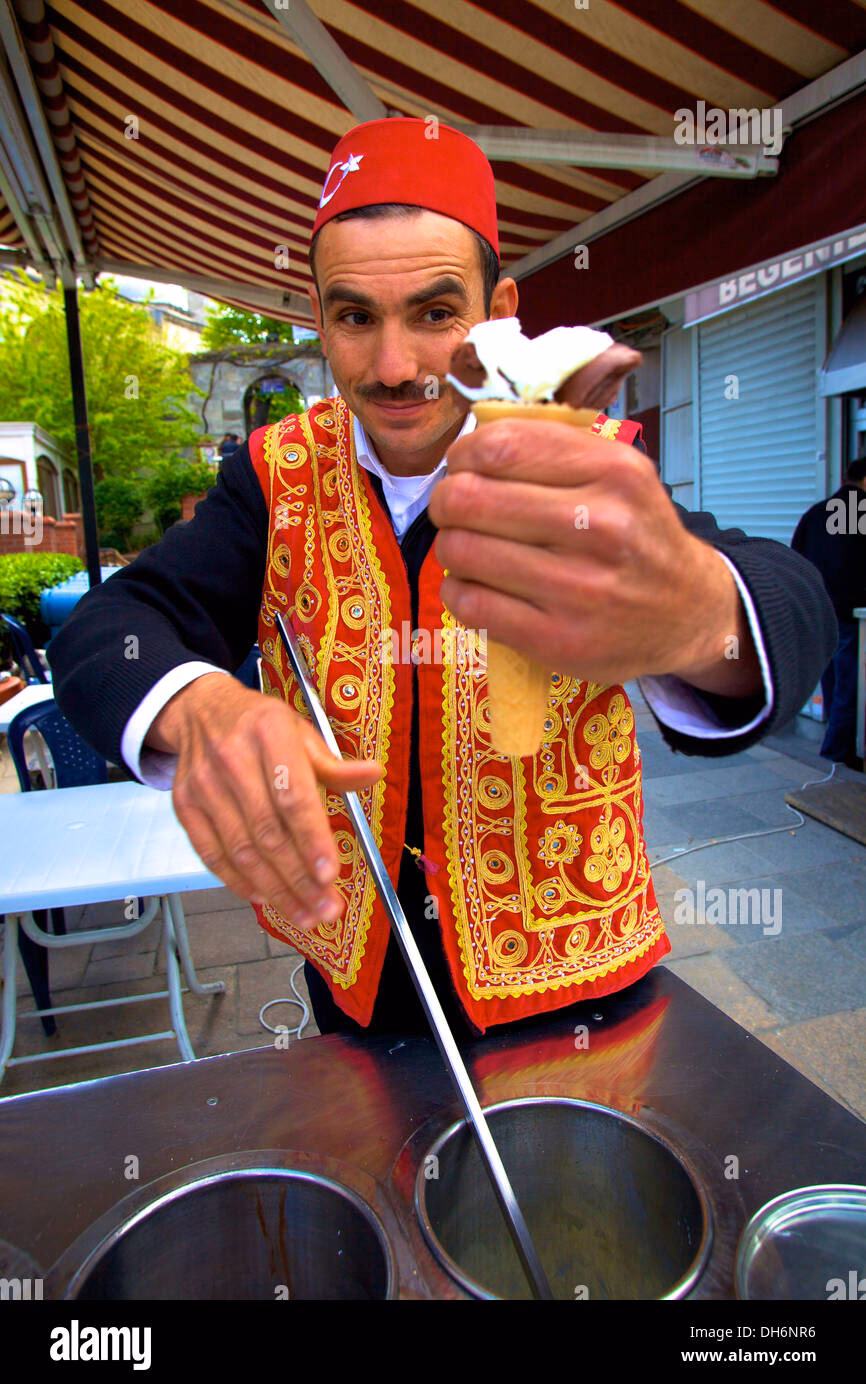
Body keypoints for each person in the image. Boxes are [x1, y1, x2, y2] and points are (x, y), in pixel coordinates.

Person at [48, 118, 837, 1041]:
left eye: (434, 313)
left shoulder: (579, 461)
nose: (395, 367)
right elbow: (111, 628)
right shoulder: (272, 476)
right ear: (318, 317)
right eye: (355, 317)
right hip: (360, 984)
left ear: (499, 309)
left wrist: (704, 617)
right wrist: (201, 709)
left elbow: (793, 595)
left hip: (573, 981)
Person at [792, 457, 866, 768]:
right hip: (850, 612)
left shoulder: (818, 512)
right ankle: (838, 749)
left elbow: (796, 555)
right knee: (849, 683)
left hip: (819, 611)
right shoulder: (859, 510)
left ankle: (836, 743)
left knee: (834, 679)